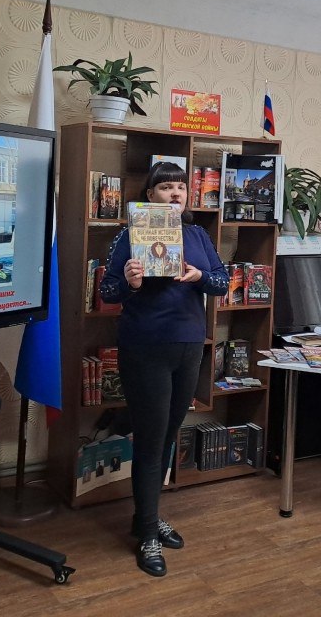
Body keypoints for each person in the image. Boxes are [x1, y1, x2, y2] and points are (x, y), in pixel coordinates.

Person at [100, 161, 228, 577]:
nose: (175, 194)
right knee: (151, 441)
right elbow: (108, 291)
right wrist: (130, 282)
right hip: (145, 347)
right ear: (149, 195)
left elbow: (222, 281)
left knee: (168, 436)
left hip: (189, 345)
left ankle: (146, 518)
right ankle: (147, 533)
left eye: (181, 188)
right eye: (166, 187)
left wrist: (199, 275)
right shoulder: (130, 234)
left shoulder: (197, 235)